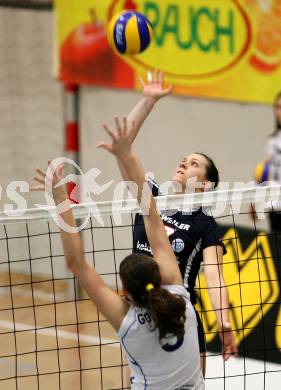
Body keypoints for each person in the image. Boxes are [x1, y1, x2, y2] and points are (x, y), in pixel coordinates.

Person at [32, 117, 205, 389]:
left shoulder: (129, 322)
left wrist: (59, 198)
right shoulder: (180, 299)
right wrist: (126, 154)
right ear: (159, 274)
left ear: (124, 291)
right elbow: (151, 215)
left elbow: (76, 263)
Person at [120, 70, 238, 374]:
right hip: (139, 314)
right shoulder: (152, 196)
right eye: (184, 159)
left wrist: (224, 322)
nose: (184, 163)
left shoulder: (205, 224)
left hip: (180, 316)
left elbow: (215, 277)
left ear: (207, 185)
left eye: (195, 163)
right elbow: (123, 145)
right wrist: (148, 101)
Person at [265, 91, 281, 232]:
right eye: (277, 107)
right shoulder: (272, 140)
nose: (279, 111)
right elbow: (267, 172)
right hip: (275, 206)